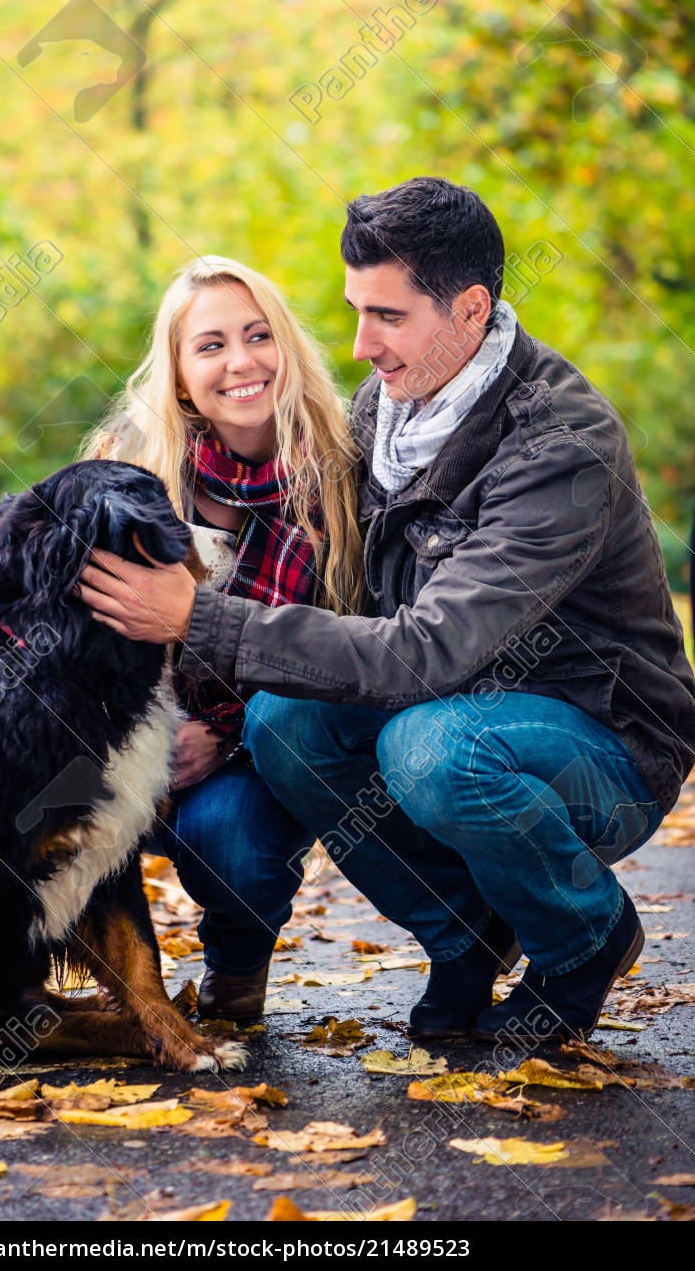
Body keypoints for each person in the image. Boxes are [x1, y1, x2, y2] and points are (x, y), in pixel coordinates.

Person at [77, 177, 695, 1045]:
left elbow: (425, 652)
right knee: (287, 720)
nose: (361, 345)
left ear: (470, 310)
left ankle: (585, 938)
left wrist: (201, 618)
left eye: (388, 316)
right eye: (355, 312)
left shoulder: (557, 444)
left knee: (431, 749)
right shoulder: (393, 408)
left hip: (599, 738)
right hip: (459, 705)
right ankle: (466, 939)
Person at [80, 256, 364, 1019]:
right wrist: (141, 737)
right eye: (209, 345)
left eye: (258, 335)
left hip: (250, 747)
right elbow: (74, 632)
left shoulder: (338, 476)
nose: (241, 362)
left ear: (287, 348)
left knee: (231, 839)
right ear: (177, 374)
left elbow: (349, 654)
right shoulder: (129, 465)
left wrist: (227, 740)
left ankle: (237, 962)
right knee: (2, 815)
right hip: (122, 734)